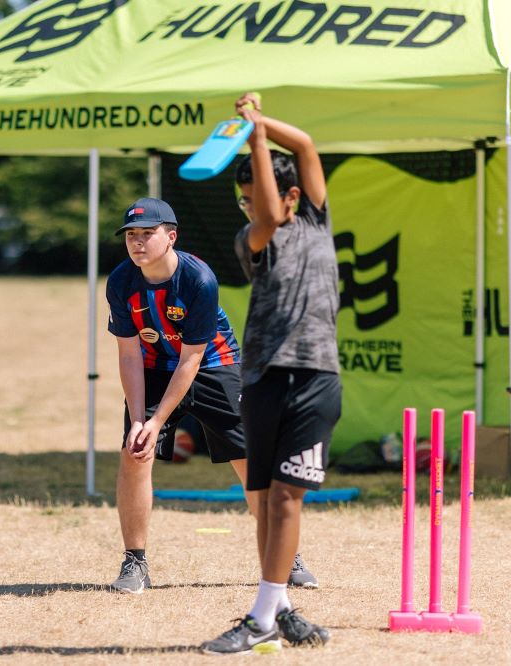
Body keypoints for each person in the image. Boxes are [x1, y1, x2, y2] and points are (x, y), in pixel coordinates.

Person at [106, 197, 319, 594]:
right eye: (131, 235)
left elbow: (191, 360)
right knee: (133, 453)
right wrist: (139, 421)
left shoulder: (197, 279)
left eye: (147, 234)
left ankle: (285, 556)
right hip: (152, 368)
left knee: (250, 463)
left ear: (170, 237)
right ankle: (134, 563)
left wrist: (157, 421)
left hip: (212, 366)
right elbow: (129, 354)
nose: (138, 243)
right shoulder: (121, 281)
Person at [200, 93, 342, 654]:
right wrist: (255, 138)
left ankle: (260, 618)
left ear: (293, 195)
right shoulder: (253, 239)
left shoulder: (316, 219)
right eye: (241, 201)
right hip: (261, 379)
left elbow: (303, 144)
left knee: (285, 497)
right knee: (262, 496)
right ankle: (279, 607)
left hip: (313, 377)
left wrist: (259, 128)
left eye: (255, 194)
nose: (248, 207)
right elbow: (262, 217)